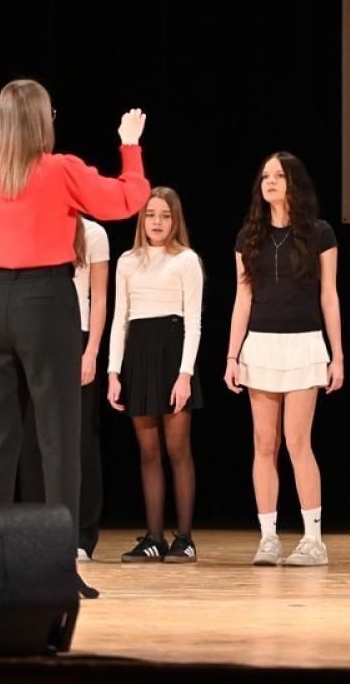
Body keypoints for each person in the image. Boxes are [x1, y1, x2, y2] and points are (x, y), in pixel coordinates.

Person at [0, 79, 150, 599]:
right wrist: (130, 146)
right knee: (58, 439)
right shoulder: (59, 169)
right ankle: (56, 566)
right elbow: (127, 199)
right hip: (45, 302)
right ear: (41, 120)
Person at [224, 151, 344, 568]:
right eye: (265, 177)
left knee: (296, 441)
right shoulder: (249, 237)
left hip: (304, 344)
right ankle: (268, 537)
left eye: (278, 176)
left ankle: (313, 540)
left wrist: (337, 355)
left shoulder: (320, 233)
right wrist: (232, 355)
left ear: (294, 182)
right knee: (264, 443)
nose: (270, 182)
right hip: (260, 345)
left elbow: (329, 296)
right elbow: (242, 298)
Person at [108, 187, 204, 564]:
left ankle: (185, 538)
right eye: (150, 215)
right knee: (148, 453)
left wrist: (185, 374)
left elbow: (194, 322)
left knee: (177, 450)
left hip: (173, 355)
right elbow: (120, 320)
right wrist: (114, 372)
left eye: (165, 215)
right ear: (141, 219)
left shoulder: (187, 260)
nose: (157, 222)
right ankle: (153, 537)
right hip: (139, 356)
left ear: (175, 219)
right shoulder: (127, 261)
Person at [16, 216, 110, 560]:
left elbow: (99, 297)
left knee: (79, 438)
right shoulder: (37, 225)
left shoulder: (94, 233)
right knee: (32, 437)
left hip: (77, 336)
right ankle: (36, 530)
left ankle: (81, 534)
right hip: (37, 336)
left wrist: (91, 352)